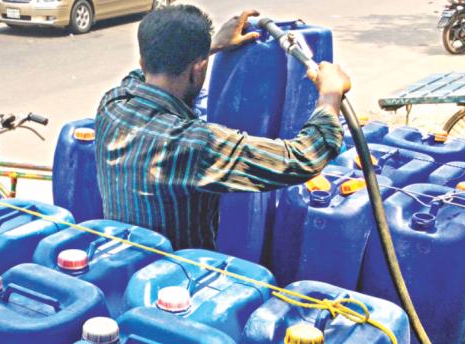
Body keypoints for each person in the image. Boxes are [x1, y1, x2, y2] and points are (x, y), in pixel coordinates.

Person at [95, 5, 351, 250]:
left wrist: (211, 47)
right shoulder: (191, 145)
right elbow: (302, 157)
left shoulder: (113, 103)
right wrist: (330, 95)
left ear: (142, 60)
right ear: (199, 68)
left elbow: (143, 76)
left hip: (119, 262)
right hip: (178, 282)